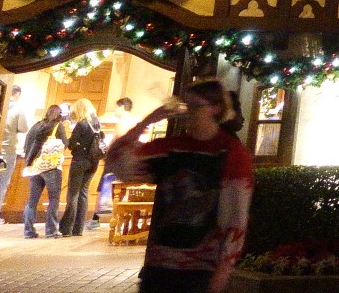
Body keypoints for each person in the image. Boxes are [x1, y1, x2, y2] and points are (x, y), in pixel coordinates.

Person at [105, 81, 254, 293]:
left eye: (195, 106)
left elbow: (235, 214)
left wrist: (224, 267)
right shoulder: (170, 148)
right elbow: (116, 160)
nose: (188, 113)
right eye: (186, 106)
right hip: (159, 264)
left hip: (201, 268)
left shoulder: (231, 153)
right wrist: (147, 121)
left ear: (215, 108)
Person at [21, 103, 69, 239]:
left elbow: (27, 144)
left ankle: (28, 230)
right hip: (51, 167)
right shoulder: (58, 126)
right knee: (53, 199)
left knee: (32, 200)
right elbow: (65, 144)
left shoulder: (36, 125)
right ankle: (51, 230)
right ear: (59, 114)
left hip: (35, 166)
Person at [60, 98, 104, 237]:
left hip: (80, 161)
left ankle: (67, 228)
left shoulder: (82, 124)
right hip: (93, 162)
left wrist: (73, 142)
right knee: (84, 193)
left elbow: (71, 144)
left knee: (73, 194)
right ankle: (78, 229)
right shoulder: (97, 124)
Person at [0, 85, 27, 224]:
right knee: (1, 184)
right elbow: (23, 128)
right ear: (17, 94)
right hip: (7, 150)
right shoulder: (18, 109)